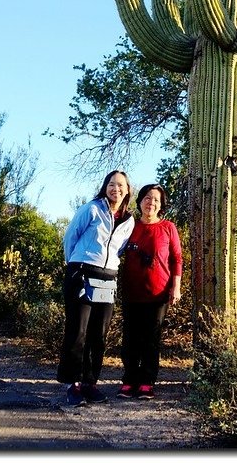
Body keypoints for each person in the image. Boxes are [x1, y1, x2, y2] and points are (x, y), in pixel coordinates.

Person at [57, 170, 135, 406]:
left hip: (108, 277)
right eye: (111, 184)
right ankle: (73, 384)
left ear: (128, 190)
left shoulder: (129, 220)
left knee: (99, 334)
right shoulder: (91, 208)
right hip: (82, 272)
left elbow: (119, 249)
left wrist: (108, 264)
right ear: (105, 187)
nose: (116, 189)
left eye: (121, 185)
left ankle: (90, 382)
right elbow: (70, 237)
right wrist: (77, 263)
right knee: (78, 331)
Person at [117, 183, 182, 400]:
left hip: (158, 293)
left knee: (151, 337)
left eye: (155, 199)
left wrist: (176, 286)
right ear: (140, 201)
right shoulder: (130, 225)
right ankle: (129, 379)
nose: (150, 202)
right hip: (131, 291)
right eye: (147, 198)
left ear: (161, 204)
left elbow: (176, 259)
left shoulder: (168, 227)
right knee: (130, 338)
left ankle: (147, 381)